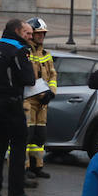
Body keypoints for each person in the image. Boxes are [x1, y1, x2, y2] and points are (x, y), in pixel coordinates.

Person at [0, 18, 37, 196]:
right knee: (19, 145)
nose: (30, 37)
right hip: (10, 102)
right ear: (17, 31)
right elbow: (28, 79)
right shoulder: (19, 50)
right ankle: (16, 193)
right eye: (27, 33)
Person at [23, 17, 57, 179]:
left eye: (43, 34)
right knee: (27, 136)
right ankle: (25, 168)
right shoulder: (25, 52)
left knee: (39, 136)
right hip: (28, 101)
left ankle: (37, 166)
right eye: (39, 34)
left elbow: (52, 75)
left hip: (43, 103)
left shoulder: (46, 54)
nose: (41, 36)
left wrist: (51, 92)